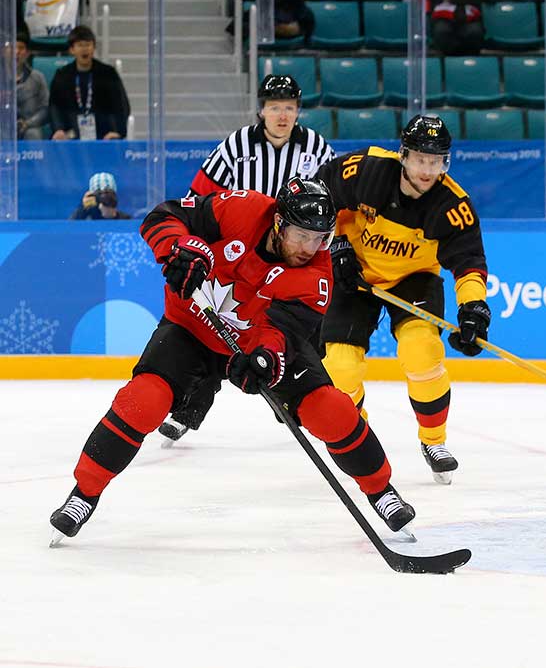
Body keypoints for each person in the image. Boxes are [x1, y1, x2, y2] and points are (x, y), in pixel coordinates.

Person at [49, 178, 416, 543]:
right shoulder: (240, 209)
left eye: (320, 238)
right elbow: (163, 216)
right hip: (191, 329)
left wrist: (264, 360)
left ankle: (380, 490)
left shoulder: (317, 277)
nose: (310, 247)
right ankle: (84, 494)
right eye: (301, 235)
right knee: (143, 400)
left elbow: (282, 332)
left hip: (257, 343)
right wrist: (180, 250)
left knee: (330, 409)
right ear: (278, 223)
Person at [158, 74, 335, 445]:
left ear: (298, 110)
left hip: (294, 265)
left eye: (289, 107)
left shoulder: (317, 149)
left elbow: (331, 207)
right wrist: (192, 244)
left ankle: (292, 402)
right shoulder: (236, 145)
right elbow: (199, 196)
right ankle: (189, 407)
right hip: (241, 256)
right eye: (274, 107)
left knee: (293, 340)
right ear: (261, 109)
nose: (282, 115)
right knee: (212, 331)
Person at [315, 114, 490, 485]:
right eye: (420, 159)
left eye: (436, 161)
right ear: (404, 155)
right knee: (340, 369)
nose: (428, 170)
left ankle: (434, 441)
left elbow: (469, 264)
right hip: (356, 274)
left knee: (421, 350)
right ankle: (357, 441)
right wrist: (338, 244)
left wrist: (473, 309)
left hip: (414, 279)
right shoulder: (367, 168)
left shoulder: (453, 205)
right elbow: (322, 194)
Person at [48, 25, 130, 141]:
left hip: (104, 134)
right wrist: (59, 129)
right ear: (72, 50)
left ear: (94, 48)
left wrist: (117, 131)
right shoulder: (62, 75)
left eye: (88, 45)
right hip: (71, 133)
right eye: (80, 45)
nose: (84, 49)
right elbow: (54, 107)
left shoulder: (108, 73)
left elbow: (121, 105)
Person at [15, 30, 48, 140]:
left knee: (33, 134)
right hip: (3, 127)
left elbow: (45, 108)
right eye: (12, 47)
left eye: (21, 48)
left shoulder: (38, 77)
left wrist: (28, 123)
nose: (16, 52)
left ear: (28, 53)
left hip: (29, 126)